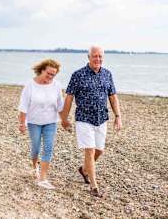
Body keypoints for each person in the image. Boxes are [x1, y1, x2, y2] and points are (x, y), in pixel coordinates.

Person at [61, 46, 122, 197]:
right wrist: (64, 118)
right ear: (88, 57)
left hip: (101, 119)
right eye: (95, 56)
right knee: (90, 150)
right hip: (84, 118)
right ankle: (94, 187)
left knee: (99, 150)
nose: (98, 59)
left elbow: (113, 96)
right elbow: (69, 97)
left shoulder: (107, 74)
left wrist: (118, 116)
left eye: (100, 56)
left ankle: (84, 169)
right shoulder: (78, 75)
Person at [18, 59, 68, 189]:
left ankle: (43, 178)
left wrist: (64, 121)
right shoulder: (30, 85)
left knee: (48, 148)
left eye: (53, 74)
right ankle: (35, 166)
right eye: (49, 73)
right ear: (42, 70)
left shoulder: (56, 85)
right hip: (34, 122)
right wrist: (22, 123)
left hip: (50, 122)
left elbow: (60, 106)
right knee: (35, 147)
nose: (50, 77)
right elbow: (23, 106)